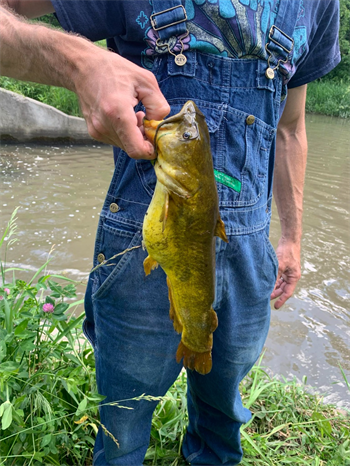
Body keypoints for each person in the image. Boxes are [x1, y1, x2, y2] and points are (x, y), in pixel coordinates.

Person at [0, 1, 340, 465]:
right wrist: (79, 62)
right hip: (146, 249)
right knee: (122, 425)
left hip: (249, 258)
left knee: (223, 420)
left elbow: (292, 129)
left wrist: (292, 238)